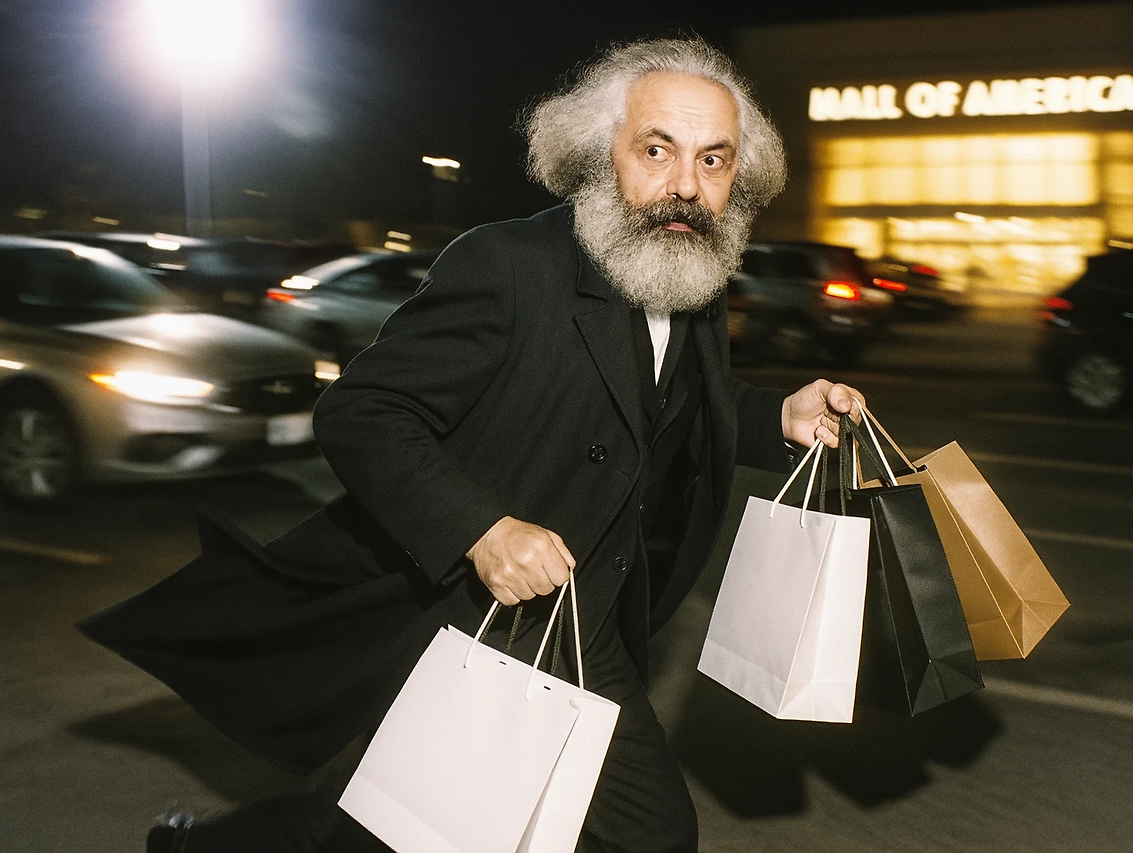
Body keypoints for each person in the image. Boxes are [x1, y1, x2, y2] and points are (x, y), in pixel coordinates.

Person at [82, 36, 863, 853]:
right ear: (604, 152)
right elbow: (363, 412)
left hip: (581, 621)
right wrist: (482, 529)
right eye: (657, 150)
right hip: (466, 614)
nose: (687, 186)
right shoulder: (510, 265)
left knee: (624, 833)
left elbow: (671, 405)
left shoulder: (689, 274)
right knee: (397, 830)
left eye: (713, 159)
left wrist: (779, 415)